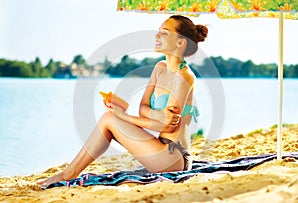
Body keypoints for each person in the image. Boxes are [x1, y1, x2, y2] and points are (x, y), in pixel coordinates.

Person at [38, 15, 208, 186]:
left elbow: (166, 126)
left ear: (180, 42)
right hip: (160, 149)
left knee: (109, 119)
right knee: (109, 119)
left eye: (164, 33)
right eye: (158, 32)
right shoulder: (160, 68)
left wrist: (125, 116)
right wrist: (156, 115)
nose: (156, 36)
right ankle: (69, 173)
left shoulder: (184, 76)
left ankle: (68, 174)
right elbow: (143, 108)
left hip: (175, 158)